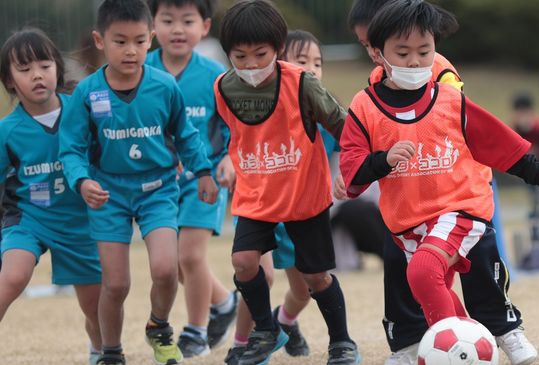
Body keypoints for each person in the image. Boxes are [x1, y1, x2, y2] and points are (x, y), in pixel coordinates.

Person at [340, 0, 539, 363]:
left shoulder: (449, 97)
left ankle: (495, 335)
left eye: (424, 51)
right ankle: (450, 343)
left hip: (461, 205)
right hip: (406, 219)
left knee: (433, 271)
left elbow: (500, 145)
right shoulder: (363, 106)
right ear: (377, 52)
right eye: (403, 53)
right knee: (414, 282)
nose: (416, 61)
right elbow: (352, 178)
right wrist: (382, 161)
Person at [58, 0, 219, 364]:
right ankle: (110, 352)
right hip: (107, 195)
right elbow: (71, 149)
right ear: (100, 41)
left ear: (150, 40)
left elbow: (187, 135)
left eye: (138, 41)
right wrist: (81, 181)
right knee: (116, 285)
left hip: (158, 190)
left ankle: (158, 326)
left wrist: (205, 172)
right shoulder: (86, 93)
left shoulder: (164, 86)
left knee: (165, 270)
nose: (130, 51)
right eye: (119, 41)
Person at [215, 1, 360, 364]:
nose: (250, 65)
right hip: (256, 196)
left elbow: (345, 129)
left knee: (315, 277)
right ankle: (265, 330)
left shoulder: (302, 84)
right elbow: (231, 137)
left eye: (260, 54)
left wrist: (354, 168)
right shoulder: (223, 88)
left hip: (303, 197)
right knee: (244, 261)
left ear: (278, 49)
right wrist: (221, 163)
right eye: (240, 56)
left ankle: (342, 342)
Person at [0, 28, 102, 365]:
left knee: (95, 309)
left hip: (81, 224)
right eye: (24, 69)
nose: (37, 75)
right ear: (10, 81)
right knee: (12, 277)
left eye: (44, 65)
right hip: (29, 219)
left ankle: (101, 351)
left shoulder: (84, 108)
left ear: (57, 68)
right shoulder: (7, 131)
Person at [145, 0, 238, 358]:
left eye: (187, 20)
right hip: (157, 186)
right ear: (153, 26)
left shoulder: (216, 76)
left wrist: (230, 157)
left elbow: (236, 128)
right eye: (168, 20)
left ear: (205, 26)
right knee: (175, 263)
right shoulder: (142, 71)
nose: (178, 29)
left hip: (206, 179)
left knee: (190, 256)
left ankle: (196, 332)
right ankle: (224, 302)